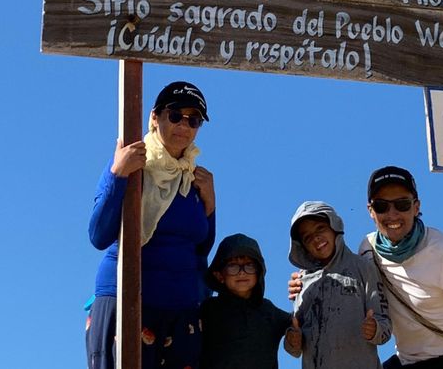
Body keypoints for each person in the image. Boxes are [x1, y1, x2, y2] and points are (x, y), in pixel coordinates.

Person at [289, 167, 443, 369]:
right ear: (371, 211)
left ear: (416, 207)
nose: (392, 214)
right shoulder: (368, 249)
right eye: (381, 206)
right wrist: (307, 281)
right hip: (406, 362)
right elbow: (341, 273)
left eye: (402, 204)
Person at [86, 81, 217, 369]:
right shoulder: (133, 161)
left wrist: (211, 207)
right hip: (125, 300)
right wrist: (117, 175)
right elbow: (99, 235)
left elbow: (200, 249)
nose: (184, 125)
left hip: (181, 312)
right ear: (155, 118)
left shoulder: (194, 177)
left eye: (193, 120)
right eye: (175, 115)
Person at [285, 201, 392, 369]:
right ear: (303, 247)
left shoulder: (363, 268)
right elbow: (295, 347)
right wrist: (292, 341)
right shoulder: (301, 283)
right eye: (307, 237)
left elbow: (385, 326)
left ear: (335, 226)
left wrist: (375, 329)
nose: (316, 238)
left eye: (320, 228)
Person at [200, 233, 294, 369]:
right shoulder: (208, 310)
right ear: (219, 275)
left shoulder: (269, 311)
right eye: (233, 266)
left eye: (249, 265)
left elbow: (300, 323)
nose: (242, 272)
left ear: (259, 272)